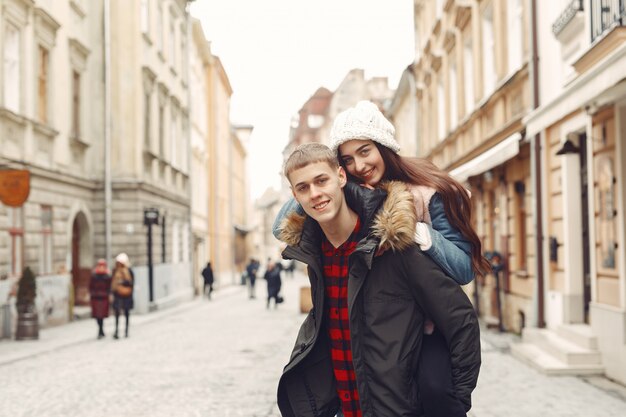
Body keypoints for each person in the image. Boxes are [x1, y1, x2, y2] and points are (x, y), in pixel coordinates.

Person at [273, 100, 490, 417]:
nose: (359, 165)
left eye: (365, 151)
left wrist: (420, 234)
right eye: (348, 159)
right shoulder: (351, 199)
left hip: (429, 323)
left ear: (384, 147)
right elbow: (281, 225)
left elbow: (462, 271)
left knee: (433, 388)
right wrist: (315, 181)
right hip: (383, 342)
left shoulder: (426, 193)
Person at [111, 252, 134, 339]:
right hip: (117, 295)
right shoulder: (115, 271)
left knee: (127, 313)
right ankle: (116, 331)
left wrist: (122, 282)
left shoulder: (129, 271)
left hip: (127, 295)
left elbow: (131, 283)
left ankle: (126, 331)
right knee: (117, 313)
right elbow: (112, 282)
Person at [89, 259, 112, 339]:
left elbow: (109, 287)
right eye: (100, 266)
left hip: (103, 298)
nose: (101, 267)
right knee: (97, 316)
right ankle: (100, 330)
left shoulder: (107, 276)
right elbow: (91, 286)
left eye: (103, 266)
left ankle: (101, 330)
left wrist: (109, 294)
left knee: (102, 315)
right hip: (96, 298)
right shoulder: (94, 275)